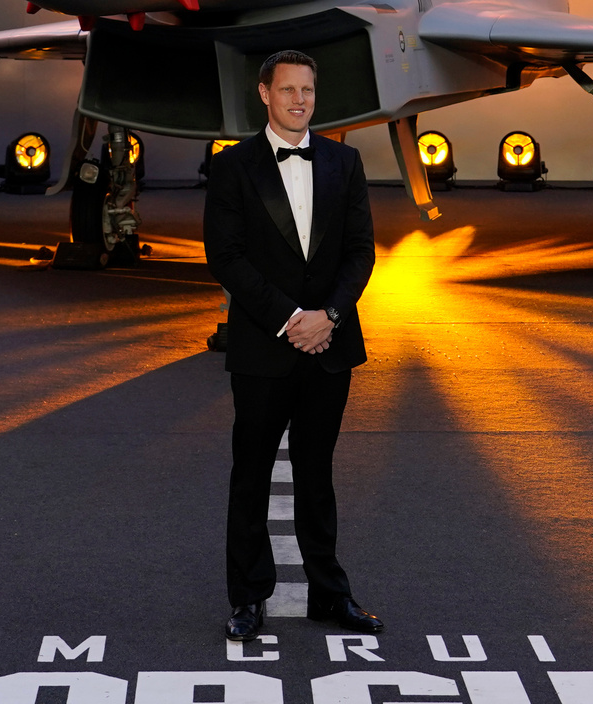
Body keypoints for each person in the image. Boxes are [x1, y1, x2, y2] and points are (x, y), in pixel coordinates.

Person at [204, 49, 381, 642]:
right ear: (264, 94)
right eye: (288, 90)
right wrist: (289, 319)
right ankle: (248, 599)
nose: (299, 100)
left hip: (330, 344)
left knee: (317, 473)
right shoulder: (233, 166)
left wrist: (327, 315)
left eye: (307, 90)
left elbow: (361, 252)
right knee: (251, 474)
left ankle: (332, 595)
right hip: (263, 348)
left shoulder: (345, 161)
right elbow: (224, 256)